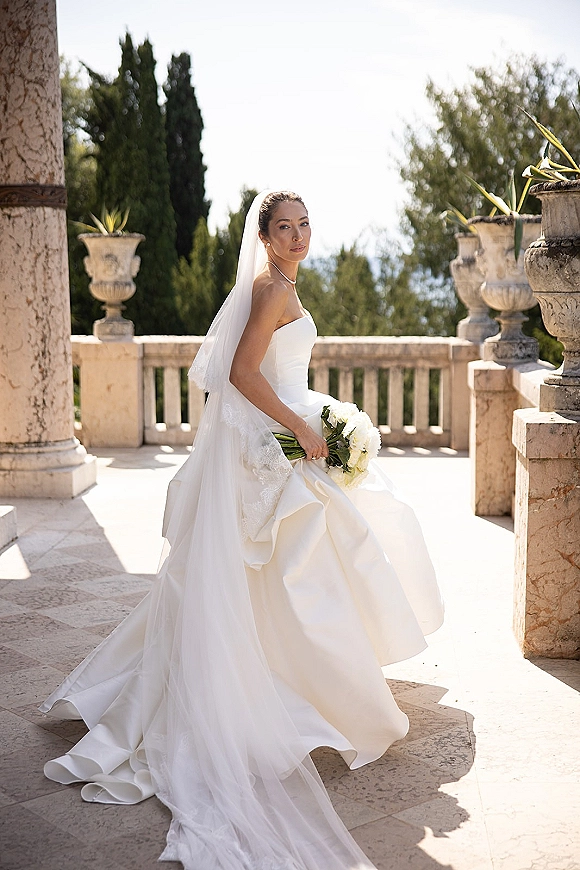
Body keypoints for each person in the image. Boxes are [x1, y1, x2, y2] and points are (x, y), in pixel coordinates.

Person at [41, 190, 444, 869]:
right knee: (304, 562)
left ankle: (293, 682)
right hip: (276, 435)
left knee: (302, 561)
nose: (296, 236)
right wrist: (299, 427)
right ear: (263, 236)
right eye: (283, 227)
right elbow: (239, 372)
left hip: (278, 430)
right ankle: (301, 694)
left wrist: (303, 420)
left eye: (304, 223)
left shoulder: (279, 282)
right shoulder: (271, 290)